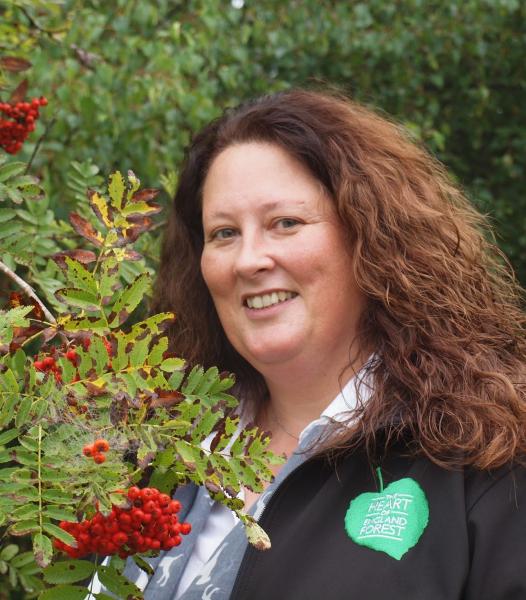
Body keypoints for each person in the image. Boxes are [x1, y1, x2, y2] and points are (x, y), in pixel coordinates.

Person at [127, 89, 526, 599]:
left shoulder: (487, 462)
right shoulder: (156, 452)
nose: (249, 260)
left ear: (369, 236)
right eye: (224, 233)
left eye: (285, 223)